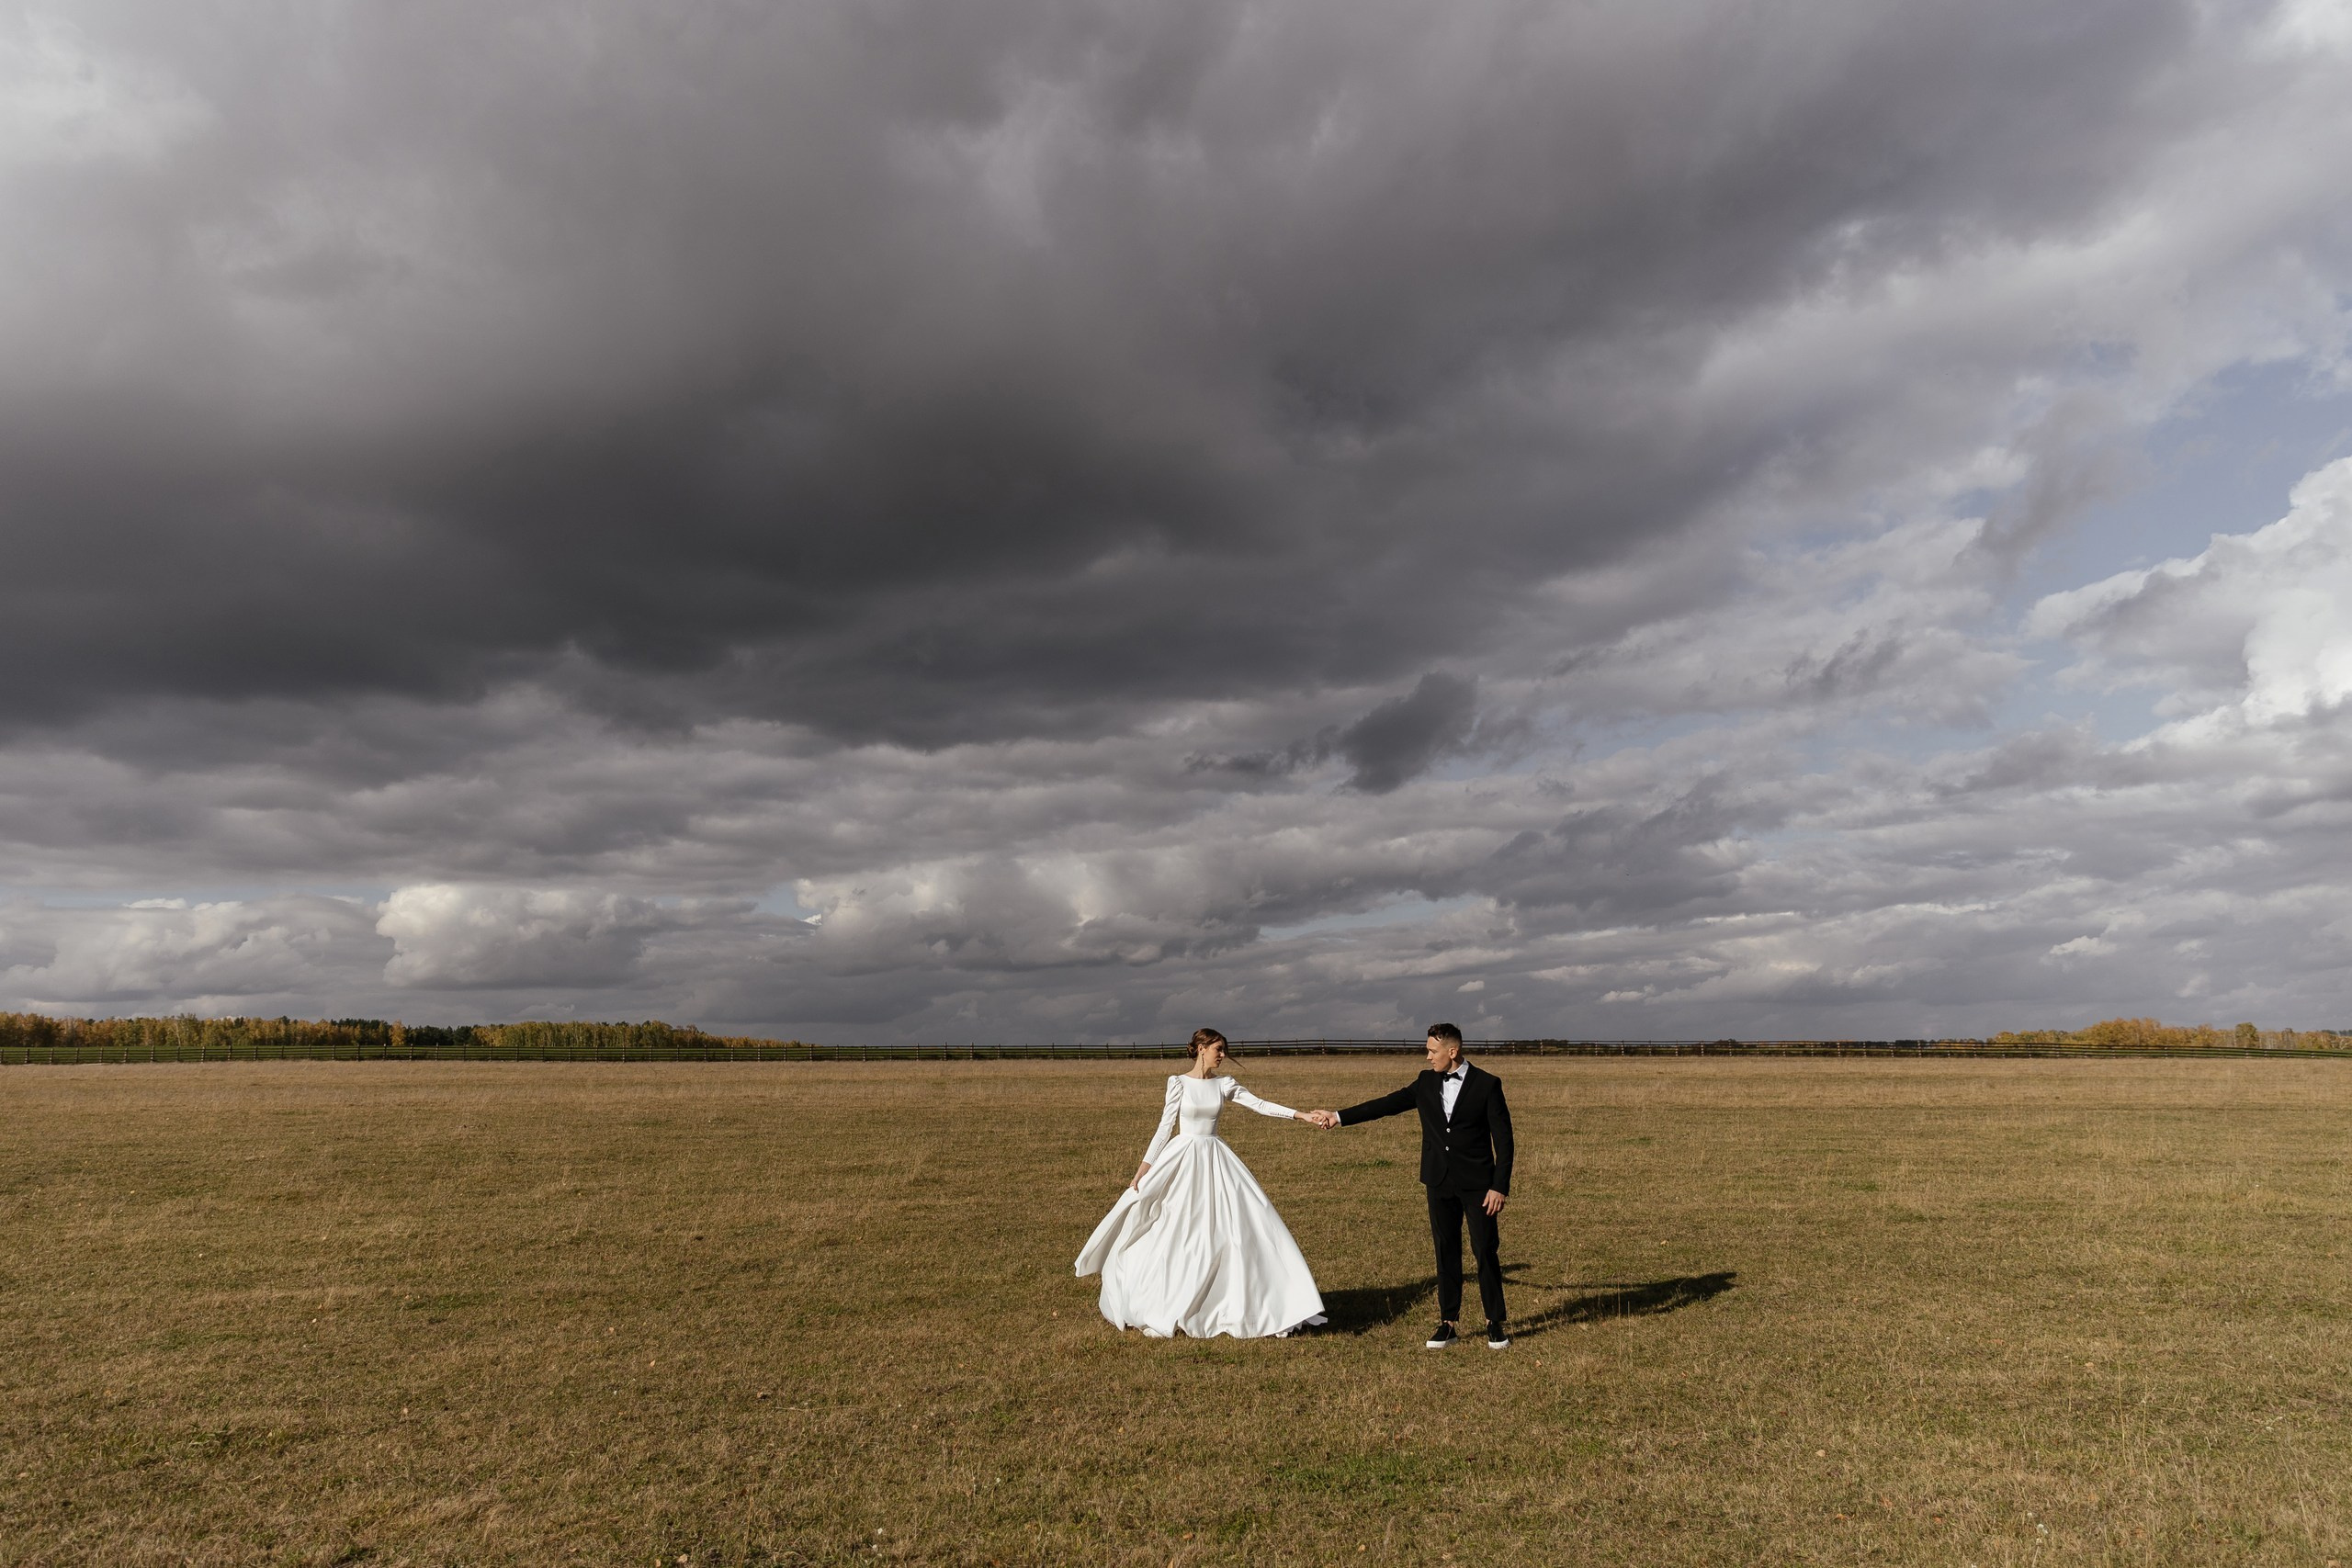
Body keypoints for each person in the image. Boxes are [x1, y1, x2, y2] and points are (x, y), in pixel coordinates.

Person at [1075, 1028, 1329, 1338]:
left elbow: (1260, 1104)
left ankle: (1231, 1299)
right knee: (1175, 1227)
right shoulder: (1178, 1083)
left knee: (1232, 1228)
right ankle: (1164, 1295)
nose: (1222, 1055)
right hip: (1181, 1158)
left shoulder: (1225, 1085)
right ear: (1200, 1049)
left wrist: (1301, 1115)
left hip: (1216, 1158)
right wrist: (1143, 1170)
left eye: (1224, 1050)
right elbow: (1164, 1128)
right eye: (1218, 1049)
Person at [1306, 1023, 1514, 1348]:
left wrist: (1499, 1186)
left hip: (1479, 1186)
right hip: (1438, 1181)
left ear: (1452, 1051)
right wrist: (1338, 1116)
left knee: (1485, 1250)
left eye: (1433, 1051)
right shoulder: (1425, 1081)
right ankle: (1448, 1323)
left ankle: (1494, 1322)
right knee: (1445, 1251)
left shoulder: (1487, 1084)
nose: (1428, 1056)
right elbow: (1385, 1105)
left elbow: (1504, 1139)